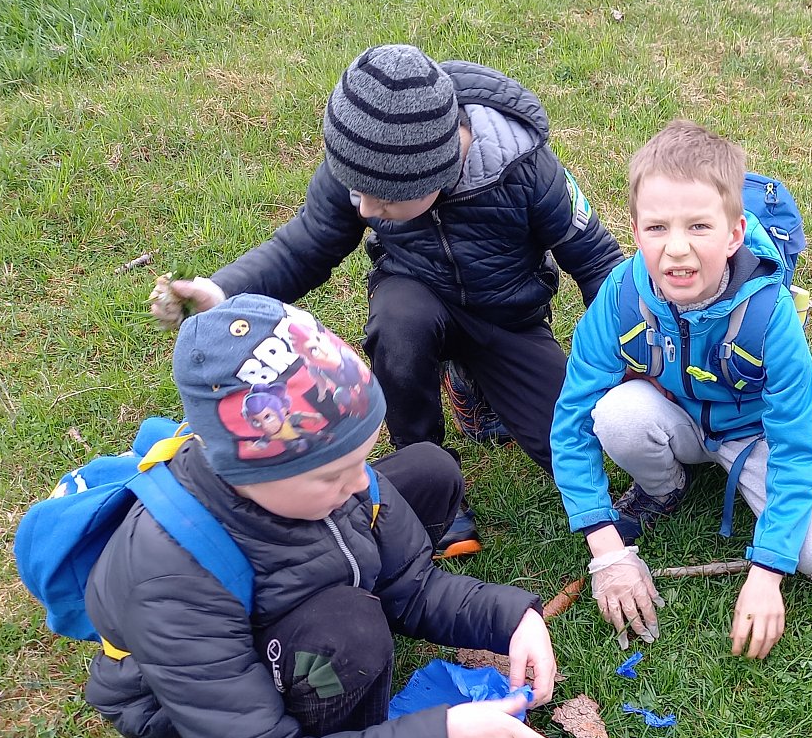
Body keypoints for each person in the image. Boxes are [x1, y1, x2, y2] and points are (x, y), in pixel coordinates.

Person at [85, 294, 562, 738]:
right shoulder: (169, 577)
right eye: (333, 474)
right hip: (186, 702)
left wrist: (510, 618)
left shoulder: (319, 477)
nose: (360, 484)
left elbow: (411, 588)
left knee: (428, 470)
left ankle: (337, 651)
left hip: (277, 593)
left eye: (363, 458)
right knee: (352, 632)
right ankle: (336, 730)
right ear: (251, 474)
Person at [151, 45, 624, 558]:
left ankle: (472, 381)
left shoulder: (524, 165)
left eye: (384, 200)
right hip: (414, 296)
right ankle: (426, 469)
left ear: (439, 173)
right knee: (400, 325)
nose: (364, 208)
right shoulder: (362, 158)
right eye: (356, 191)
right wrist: (222, 291)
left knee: (577, 443)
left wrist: (636, 358)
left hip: (508, 317)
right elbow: (306, 245)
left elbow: (597, 262)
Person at [549, 121, 812, 659]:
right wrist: (606, 548)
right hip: (677, 420)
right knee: (615, 414)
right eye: (657, 227)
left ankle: (739, 492)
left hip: (753, 437)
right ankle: (665, 487)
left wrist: (767, 570)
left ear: (735, 233)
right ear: (635, 231)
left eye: (699, 227)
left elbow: (795, 447)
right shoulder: (620, 295)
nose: (677, 249)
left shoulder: (771, 315)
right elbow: (571, 419)